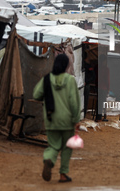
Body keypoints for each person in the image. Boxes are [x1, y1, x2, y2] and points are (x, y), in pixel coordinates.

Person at [33, 54, 81, 183]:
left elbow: (36, 94)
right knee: (66, 147)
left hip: (51, 118)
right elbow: (74, 102)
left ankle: (49, 159)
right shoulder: (70, 80)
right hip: (67, 120)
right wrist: (77, 119)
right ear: (66, 65)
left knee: (53, 145)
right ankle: (63, 174)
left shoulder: (47, 79)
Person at [95, 54, 109, 122]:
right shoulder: (106, 69)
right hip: (103, 87)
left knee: (99, 102)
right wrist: (108, 88)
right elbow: (107, 80)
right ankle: (100, 117)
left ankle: (98, 116)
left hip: (97, 87)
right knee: (102, 103)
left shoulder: (97, 67)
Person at [83, 51, 95, 118]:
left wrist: (86, 82)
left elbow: (92, 76)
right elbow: (92, 76)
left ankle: (83, 114)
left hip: (85, 84)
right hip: (85, 84)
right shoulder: (86, 65)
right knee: (85, 100)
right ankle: (83, 115)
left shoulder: (84, 65)